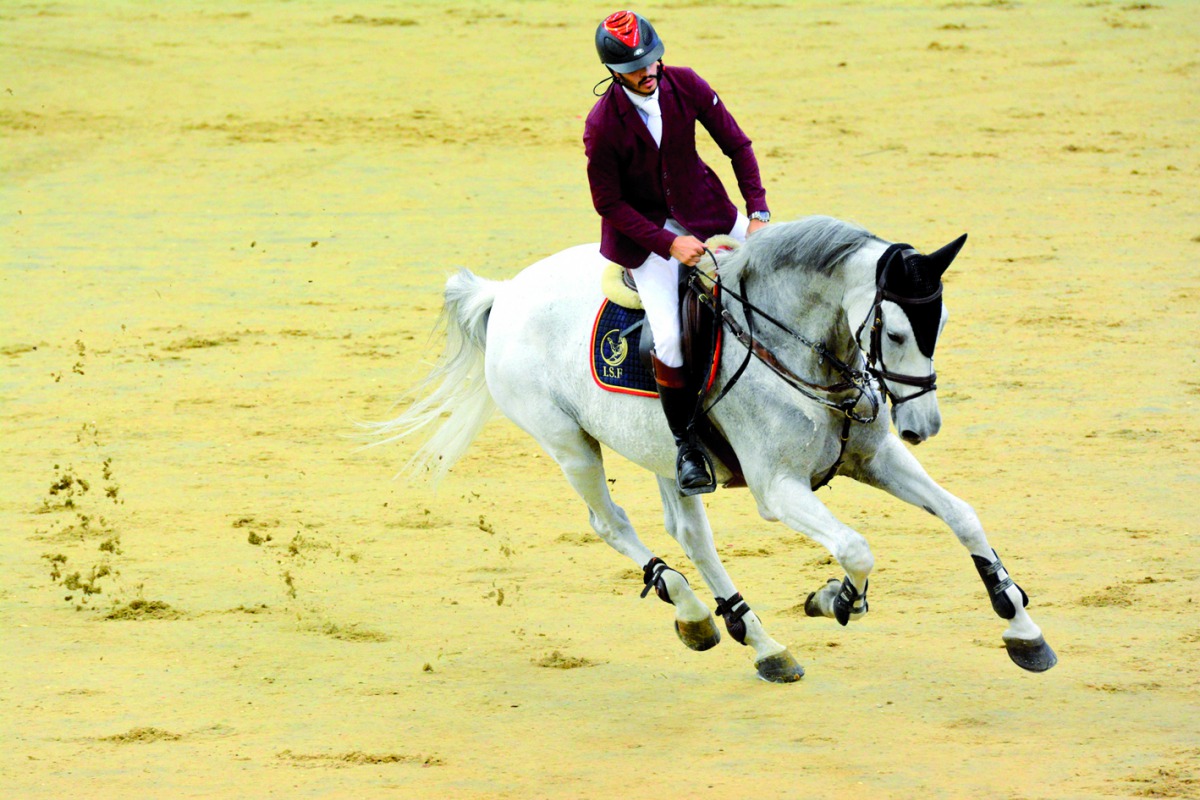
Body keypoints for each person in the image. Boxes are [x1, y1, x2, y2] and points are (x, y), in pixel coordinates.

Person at [584, 10, 771, 495]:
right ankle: (687, 445)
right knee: (667, 339)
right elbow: (608, 204)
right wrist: (667, 243)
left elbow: (737, 144)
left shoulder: (684, 84)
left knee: (786, 272)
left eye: (652, 61)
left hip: (709, 211)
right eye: (635, 69)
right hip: (646, 240)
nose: (648, 73)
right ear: (614, 72)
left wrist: (759, 212)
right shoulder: (603, 125)